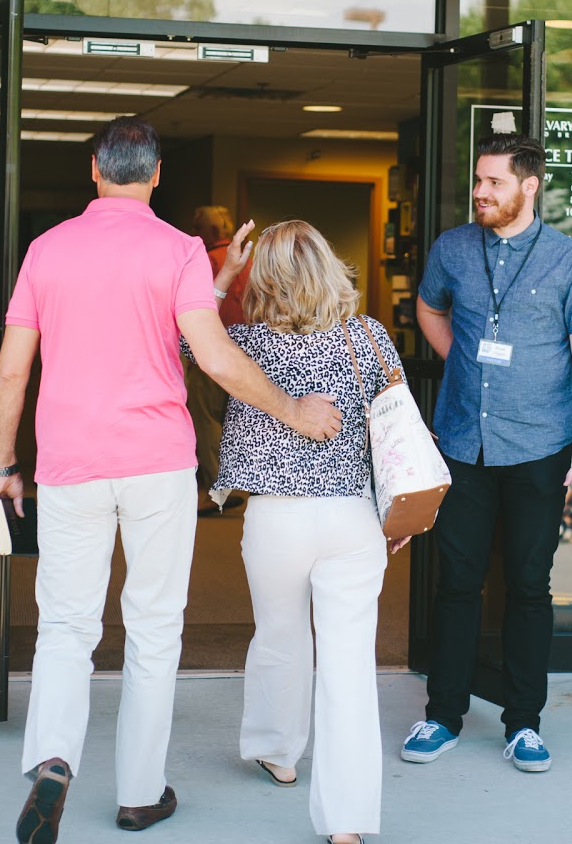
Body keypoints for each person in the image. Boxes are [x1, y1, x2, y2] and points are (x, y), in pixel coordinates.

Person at [0, 117, 343, 844]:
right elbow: (210, 353)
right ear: (153, 176)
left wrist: (3, 464)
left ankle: (53, 758)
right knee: (152, 628)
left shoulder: (47, 250)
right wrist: (293, 409)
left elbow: (13, 370)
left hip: (70, 463)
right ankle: (141, 795)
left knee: (65, 624)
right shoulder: (174, 249)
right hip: (156, 464)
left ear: (94, 170)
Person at [402, 132, 572, 773]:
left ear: (529, 186)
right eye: (478, 180)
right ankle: (443, 717)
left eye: (493, 182)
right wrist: (461, 362)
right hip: (463, 440)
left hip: (538, 446)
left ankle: (524, 723)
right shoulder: (453, 248)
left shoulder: (571, 262)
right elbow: (428, 308)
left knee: (528, 586)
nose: (480, 192)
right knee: (456, 584)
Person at [191, 219, 405, 844]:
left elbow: (180, 343)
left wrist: (221, 276)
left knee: (281, 636)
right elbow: (395, 429)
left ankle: (278, 751)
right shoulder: (370, 340)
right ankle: (347, 822)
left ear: (267, 278)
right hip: (354, 517)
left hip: (278, 516)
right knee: (350, 667)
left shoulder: (243, 342)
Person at [185, 205, 252, 516]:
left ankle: (218, 491)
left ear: (210, 232)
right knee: (239, 418)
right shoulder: (249, 262)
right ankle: (241, 485)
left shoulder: (205, 260)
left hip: (211, 349)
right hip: (249, 352)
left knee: (207, 420)